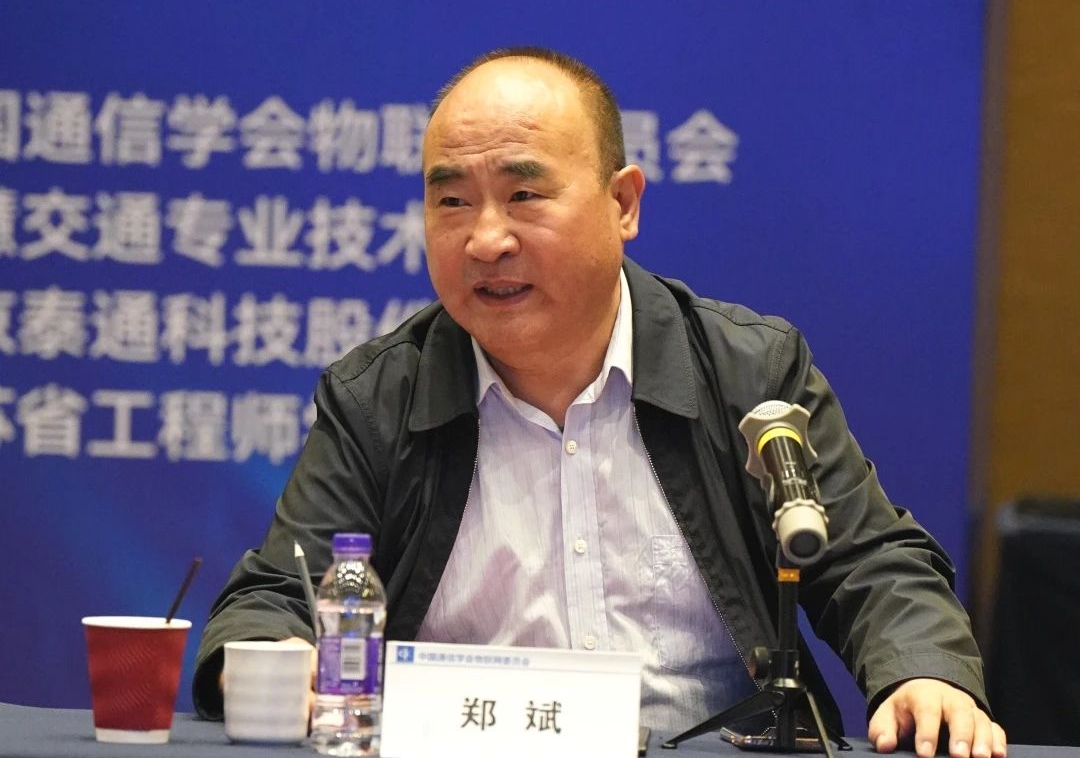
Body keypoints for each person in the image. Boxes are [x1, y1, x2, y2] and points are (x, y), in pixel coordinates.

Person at [194, 47, 1006, 758]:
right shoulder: (378, 397)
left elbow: (869, 561)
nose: (485, 239)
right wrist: (272, 653)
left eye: (524, 195)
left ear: (623, 204)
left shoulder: (748, 371)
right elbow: (278, 592)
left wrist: (923, 672)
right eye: (452, 201)